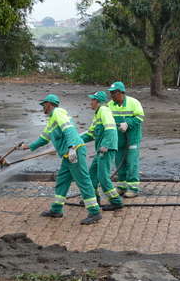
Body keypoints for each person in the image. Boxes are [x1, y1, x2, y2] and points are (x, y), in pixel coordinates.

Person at [21, 94, 102, 225]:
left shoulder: (58, 112)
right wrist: (28, 147)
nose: (42, 107)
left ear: (49, 104)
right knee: (62, 181)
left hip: (74, 150)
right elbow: (44, 139)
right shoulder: (51, 120)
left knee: (83, 180)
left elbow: (68, 130)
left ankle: (95, 212)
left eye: (44, 104)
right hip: (67, 155)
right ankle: (56, 210)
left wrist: (71, 148)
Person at [80, 90, 123, 211]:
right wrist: (76, 140)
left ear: (97, 101)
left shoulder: (104, 110)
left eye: (92, 100)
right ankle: (94, 200)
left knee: (103, 177)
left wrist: (105, 145)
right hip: (101, 150)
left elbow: (110, 129)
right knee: (92, 174)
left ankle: (116, 202)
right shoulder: (97, 114)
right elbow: (90, 134)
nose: (90, 102)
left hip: (106, 149)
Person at [106, 81, 145, 197]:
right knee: (119, 162)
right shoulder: (110, 105)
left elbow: (140, 117)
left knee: (131, 162)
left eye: (114, 93)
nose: (112, 95)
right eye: (111, 93)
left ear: (122, 93)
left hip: (132, 138)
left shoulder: (133, 103)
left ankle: (133, 188)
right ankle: (122, 186)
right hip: (118, 139)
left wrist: (128, 123)